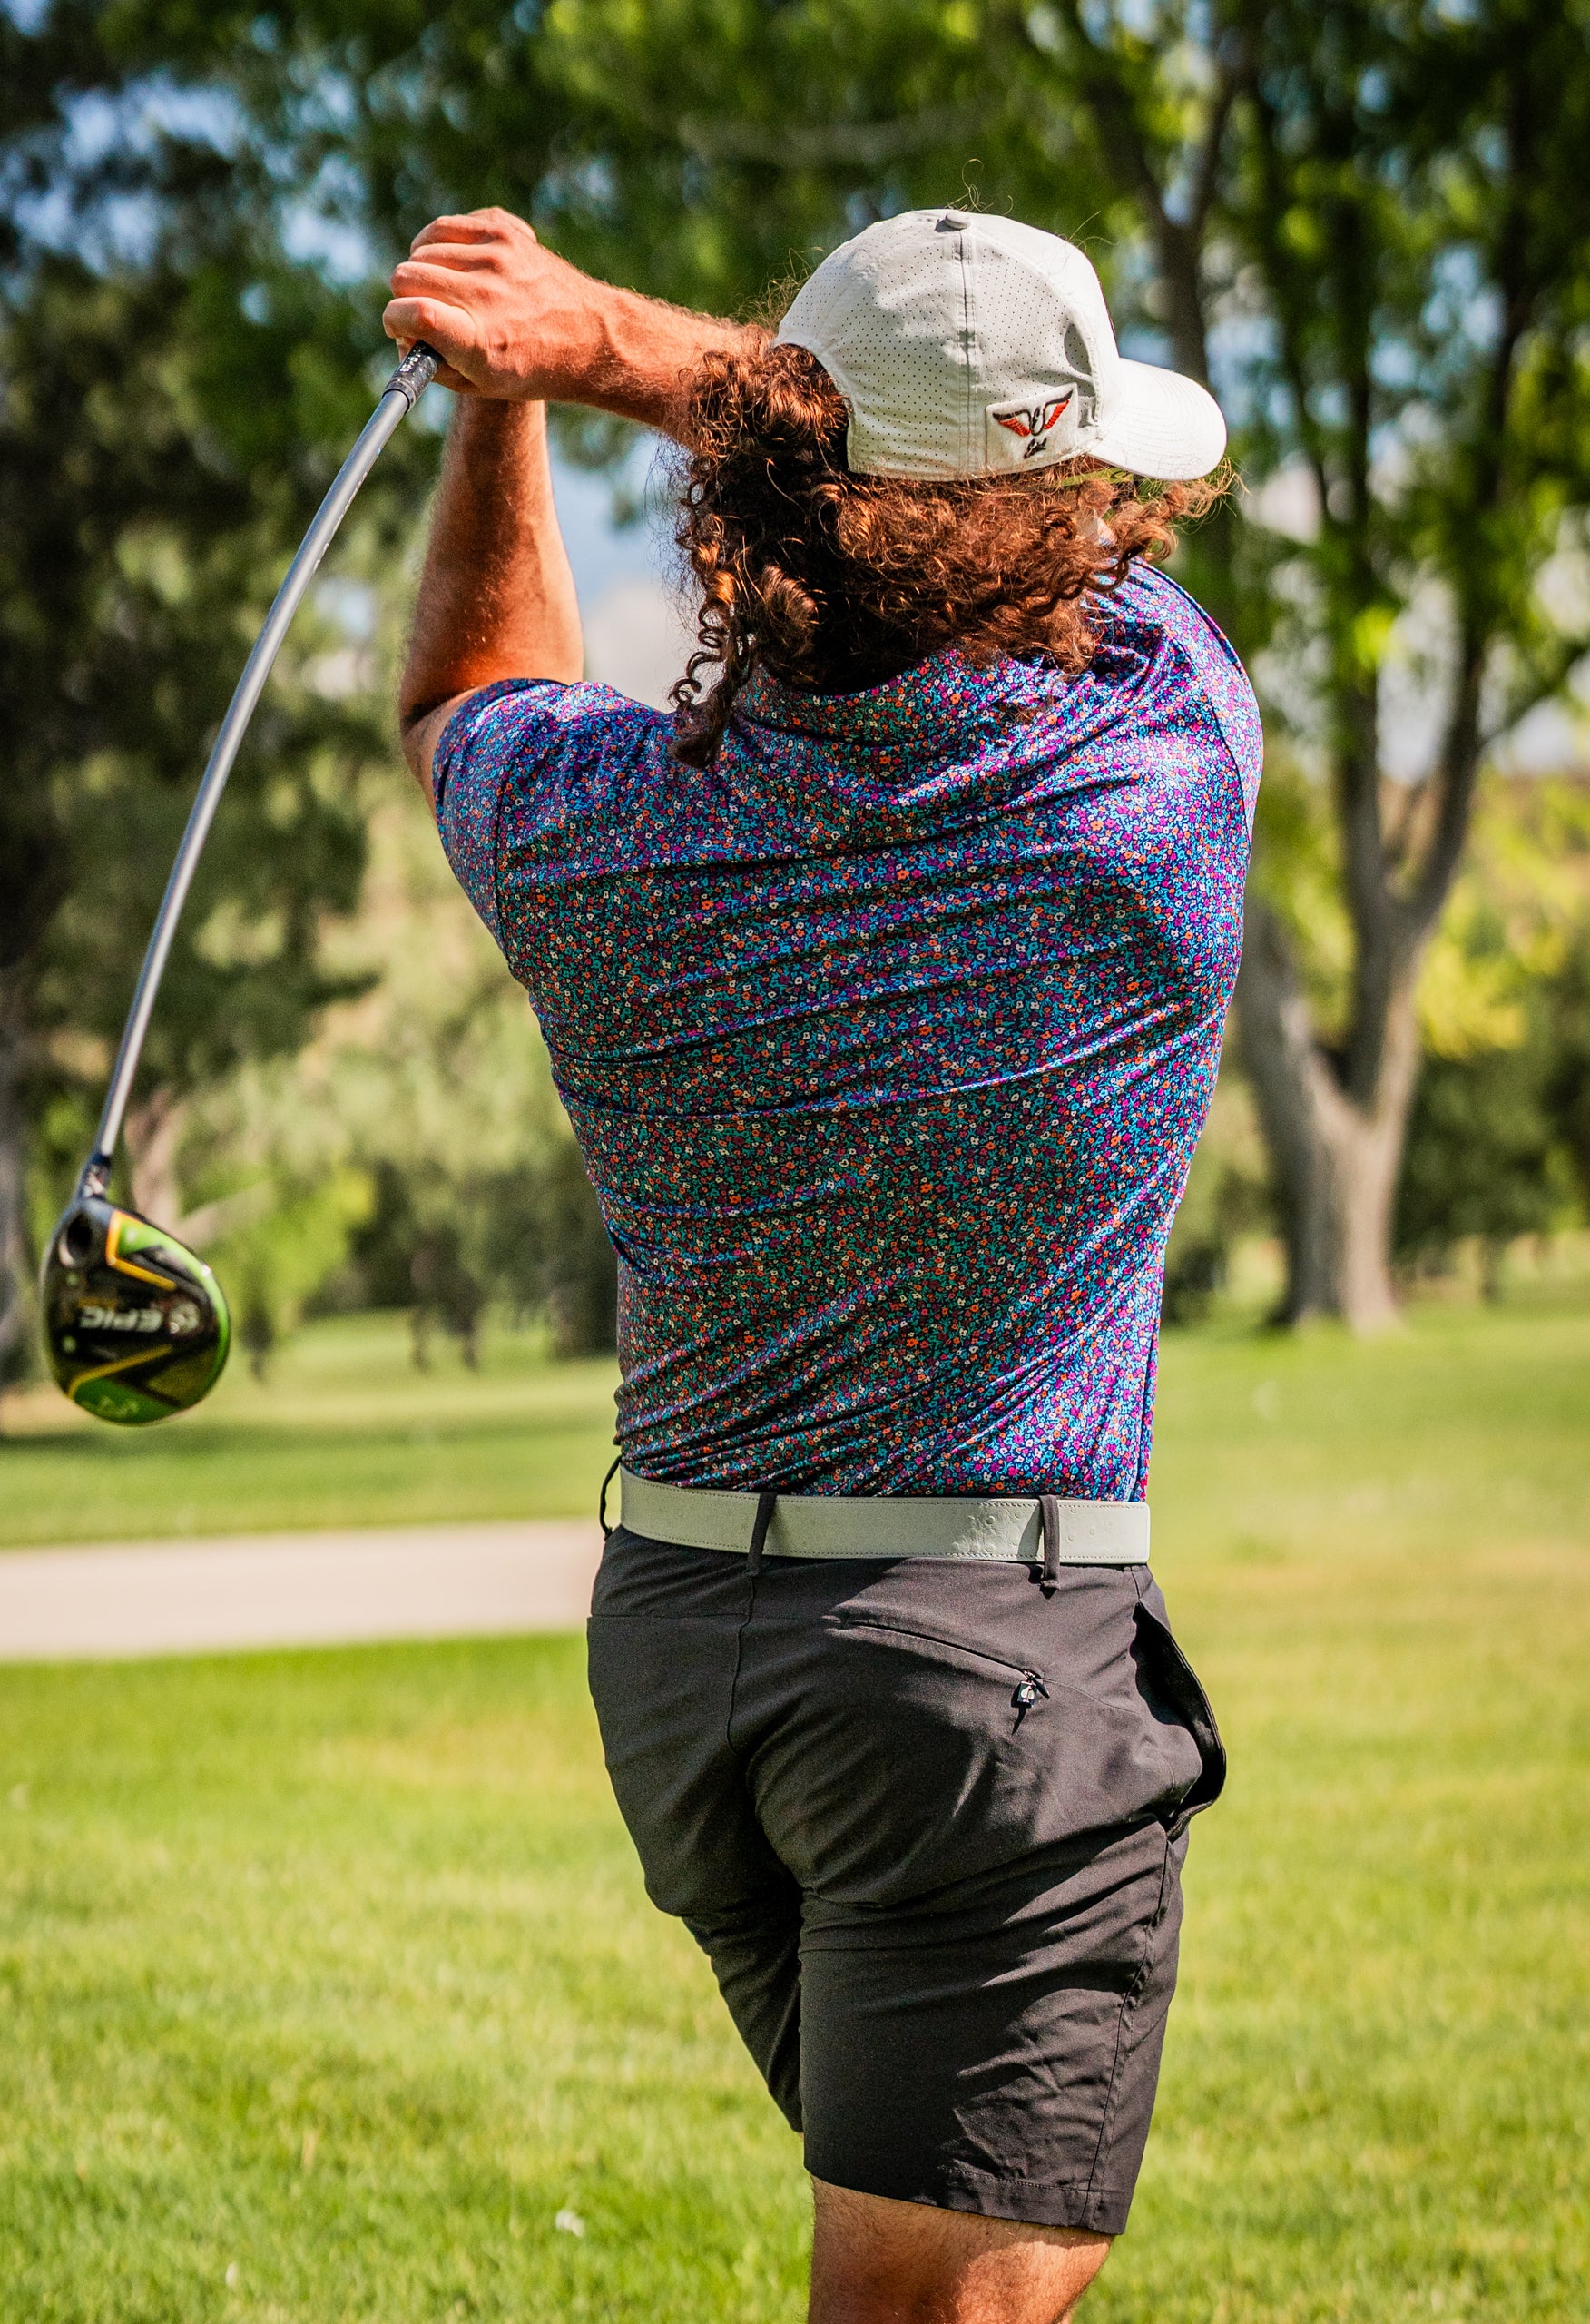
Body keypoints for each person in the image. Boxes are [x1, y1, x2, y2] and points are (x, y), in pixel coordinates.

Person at [385, 202, 1257, 2324]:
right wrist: (596, 348)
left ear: (780, 473)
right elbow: (1119, 570)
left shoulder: (613, 824)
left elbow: (468, 694)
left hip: (686, 1667)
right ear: (1044, 500)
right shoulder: (1143, 777)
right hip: (975, 1683)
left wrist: (511, 407)